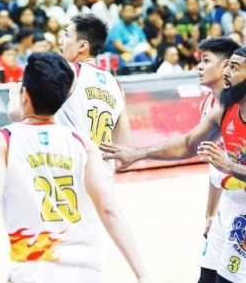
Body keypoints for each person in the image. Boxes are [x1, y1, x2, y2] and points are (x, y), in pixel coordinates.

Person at [0, 53, 148, 283]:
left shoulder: (1, 141)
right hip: (87, 269)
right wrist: (142, 274)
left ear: (24, 96)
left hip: (35, 268)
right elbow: (109, 209)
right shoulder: (82, 143)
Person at [102, 46, 246, 283]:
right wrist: (137, 154)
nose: (226, 73)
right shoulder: (224, 108)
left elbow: (223, 166)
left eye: (235, 67)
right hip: (229, 206)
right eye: (228, 65)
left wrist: (229, 167)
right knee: (207, 278)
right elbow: (187, 144)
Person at [187, 37, 239, 282]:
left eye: (206, 61)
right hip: (226, 205)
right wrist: (210, 214)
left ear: (226, 65)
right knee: (206, 277)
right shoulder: (210, 104)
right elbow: (214, 169)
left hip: (242, 206)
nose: (199, 67)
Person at [56, 14, 131, 177]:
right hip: (103, 180)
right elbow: (124, 147)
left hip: (70, 174)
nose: (60, 41)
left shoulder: (68, 72)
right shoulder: (115, 85)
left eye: (66, 35)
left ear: (82, 45)